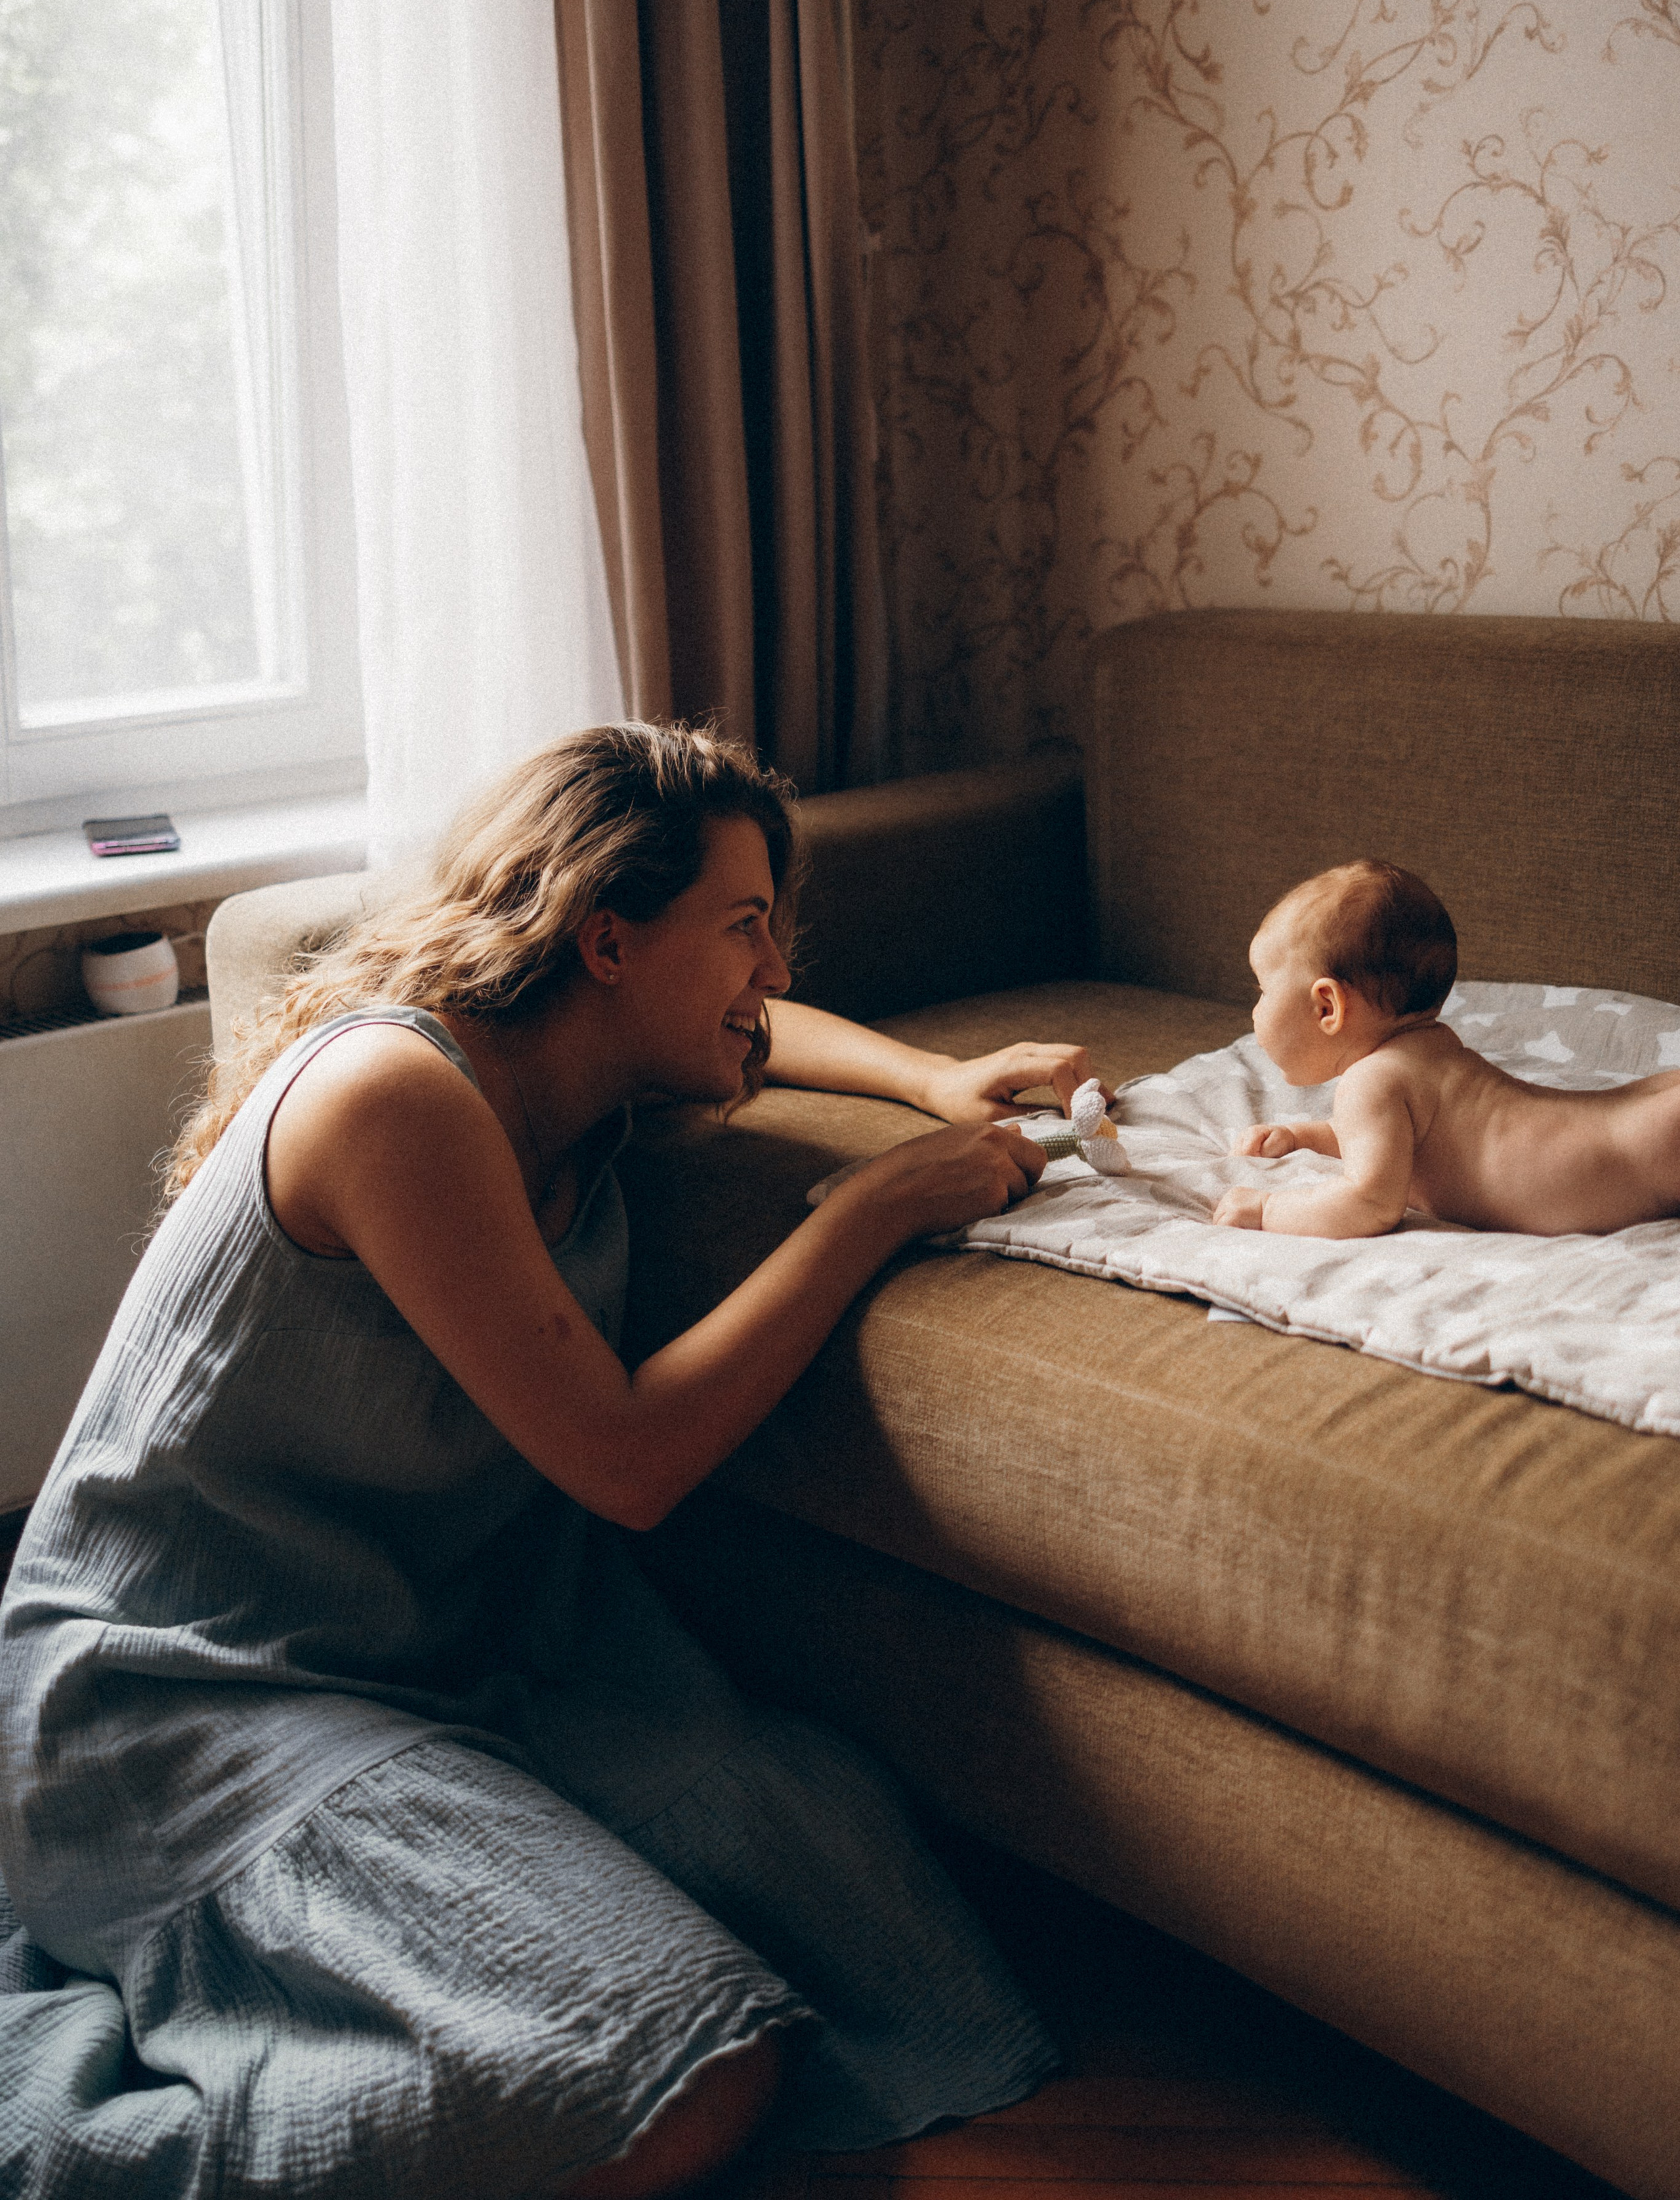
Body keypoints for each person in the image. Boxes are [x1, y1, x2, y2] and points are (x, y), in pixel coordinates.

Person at [0, 723, 1093, 2200]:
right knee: (686, 2073)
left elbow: (763, 1036)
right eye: (747, 926)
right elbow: (626, 1461)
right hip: (185, 1697)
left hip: (427, 1653)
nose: (771, 971)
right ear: (605, 943)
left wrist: (930, 1080)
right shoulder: (395, 1095)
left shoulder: (584, 1075)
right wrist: (863, 1212)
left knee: (857, 1900)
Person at [1211, 859, 1680, 1240]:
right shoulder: (1428, 1050)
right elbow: (1396, 1141)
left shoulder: (1370, 1083)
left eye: (1262, 989)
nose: (1255, 1009)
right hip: (1620, 1139)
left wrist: (1268, 1208)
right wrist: (1303, 1136)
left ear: (1326, 1007)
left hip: (1610, 1160)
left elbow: (1370, 1204)